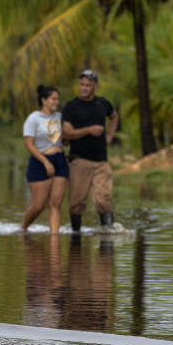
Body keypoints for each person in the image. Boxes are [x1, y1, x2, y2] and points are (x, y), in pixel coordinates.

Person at [61, 69, 119, 232]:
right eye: (82, 85)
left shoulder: (102, 103)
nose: (84, 88)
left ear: (95, 86)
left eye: (88, 85)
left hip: (101, 161)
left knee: (103, 199)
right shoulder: (71, 107)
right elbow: (65, 134)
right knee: (76, 203)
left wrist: (109, 136)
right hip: (79, 161)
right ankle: (76, 237)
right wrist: (89, 130)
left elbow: (114, 116)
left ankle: (108, 239)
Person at [21, 84, 68, 235]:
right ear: (44, 100)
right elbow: (28, 144)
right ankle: (23, 228)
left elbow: (64, 140)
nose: (57, 101)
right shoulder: (33, 118)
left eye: (57, 99)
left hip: (60, 160)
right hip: (40, 162)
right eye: (53, 99)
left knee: (56, 204)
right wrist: (45, 161)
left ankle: (54, 238)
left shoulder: (60, 118)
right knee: (38, 205)